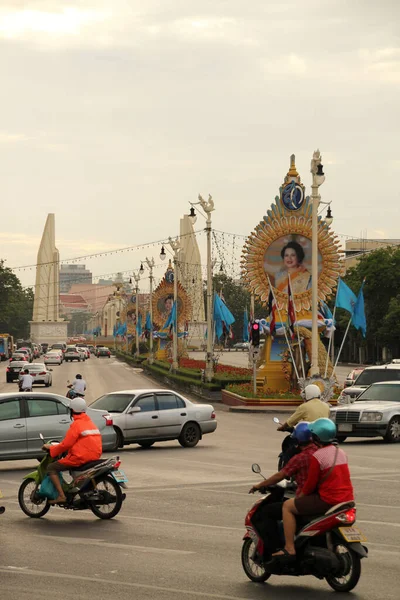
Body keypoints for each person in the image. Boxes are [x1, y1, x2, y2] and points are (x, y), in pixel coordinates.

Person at [272, 418, 354, 561]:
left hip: (328, 500)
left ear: (316, 437)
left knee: (287, 506)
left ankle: (289, 548)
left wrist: (300, 498)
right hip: (347, 500)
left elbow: (310, 484)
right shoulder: (340, 452)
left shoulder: (318, 456)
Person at [249, 422, 318, 558]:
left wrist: (259, 485)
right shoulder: (322, 452)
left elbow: (280, 475)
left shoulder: (300, 458)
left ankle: (286, 548)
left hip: (307, 499)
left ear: (297, 440)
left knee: (267, 512)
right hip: (325, 497)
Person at [42, 397, 102, 504]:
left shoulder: (76, 425)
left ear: (72, 410)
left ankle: (61, 496)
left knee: (51, 468)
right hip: (94, 456)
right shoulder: (90, 423)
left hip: (79, 458)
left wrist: (51, 448)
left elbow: (66, 444)